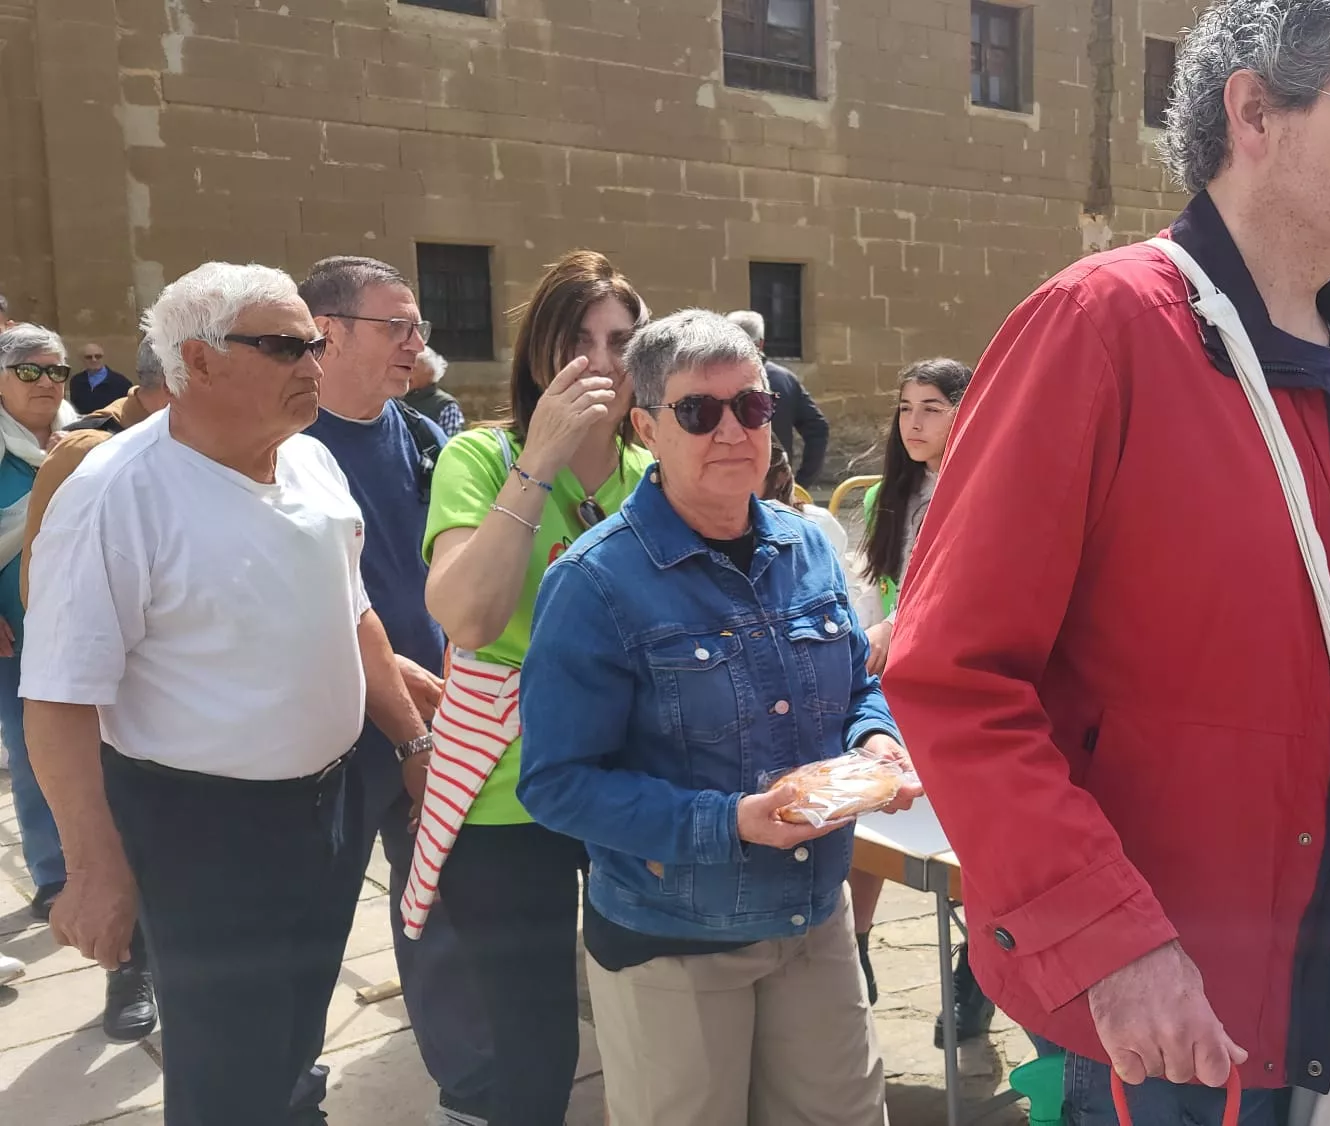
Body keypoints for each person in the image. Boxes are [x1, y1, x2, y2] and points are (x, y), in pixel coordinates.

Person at [881, 1, 1330, 1121]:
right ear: (1253, 113)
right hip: (1154, 1010)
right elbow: (952, 674)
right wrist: (1108, 942)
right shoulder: (1099, 326)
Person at [19, 262, 432, 1125]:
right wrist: (94, 868)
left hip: (329, 804)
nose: (314, 363)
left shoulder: (313, 459)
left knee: (292, 1036)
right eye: (286, 346)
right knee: (226, 1069)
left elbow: (351, 611)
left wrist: (411, 738)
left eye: (315, 343)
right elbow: (58, 700)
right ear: (196, 362)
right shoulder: (115, 494)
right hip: (201, 830)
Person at [518, 308, 918, 1126]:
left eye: (754, 407)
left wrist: (874, 742)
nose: (734, 430)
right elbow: (557, 785)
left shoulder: (806, 546)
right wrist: (732, 822)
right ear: (647, 427)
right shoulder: (596, 583)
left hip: (813, 914)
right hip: (677, 937)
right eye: (700, 411)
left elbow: (852, 688)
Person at [413, 250, 654, 1126]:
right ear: (537, 354)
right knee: (531, 1039)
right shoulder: (481, 457)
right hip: (507, 794)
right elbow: (468, 618)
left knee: (656, 1013)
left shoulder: (652, 472)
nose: (600, 363)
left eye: (622, 341)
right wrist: (542, 460)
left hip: (630, 780)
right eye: (577, 340)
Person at [297, 255, 495, 1126]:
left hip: (439, 714)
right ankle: (285, 1084)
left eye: (419, 327)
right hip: (333, 734)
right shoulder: (286, 450)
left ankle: (473, 1089)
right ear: (326, 333)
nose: (416, 344)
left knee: (441, 908)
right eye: (398, 327)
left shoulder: (422, 436)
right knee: (308, 925)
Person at [18, 332, 169, 1040]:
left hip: (181, 691)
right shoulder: (88, 450)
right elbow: (45, 581)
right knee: (120, 829)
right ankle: (126, 973)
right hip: (112, 684)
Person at [852, 359, 979, 1037]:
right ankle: (859, 948)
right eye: (905, 408)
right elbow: (874, 585)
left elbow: (965, 594)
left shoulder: (986, 492)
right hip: (894, 688)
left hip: (958, 686)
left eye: (931, 407)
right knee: (865, 818)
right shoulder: (884, 498)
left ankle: (973, 974)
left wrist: (895, 629)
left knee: (972, 847)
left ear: (966, 412)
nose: (914, 423)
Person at [0, 324, 79, 925]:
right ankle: (53, 874)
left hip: (84, 623)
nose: (47, 382)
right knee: (34, 752)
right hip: (14, 634)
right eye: (30, 370)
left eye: (57, 371)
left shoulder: (83, 441)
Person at [727, 310, 829, 488]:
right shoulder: (785, 379)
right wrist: (802, 483)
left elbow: (818, 428)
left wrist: (802, 483)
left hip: (731, 483)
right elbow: (818, 428)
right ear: (761, 343)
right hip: (774, 488)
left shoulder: (709, 382)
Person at [405, 345, 466, 437]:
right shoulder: (391, 399)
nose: (405, 374)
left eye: (412, 368)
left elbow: (450, 442)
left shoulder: (445, 405)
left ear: (429, 373)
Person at [68, 343, 133, 414]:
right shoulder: (76, 382)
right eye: (89, 357)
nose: (94, 360)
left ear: (103, 358)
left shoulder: (121, 383)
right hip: (83, 424)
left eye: (98, 356)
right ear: (82, 360)